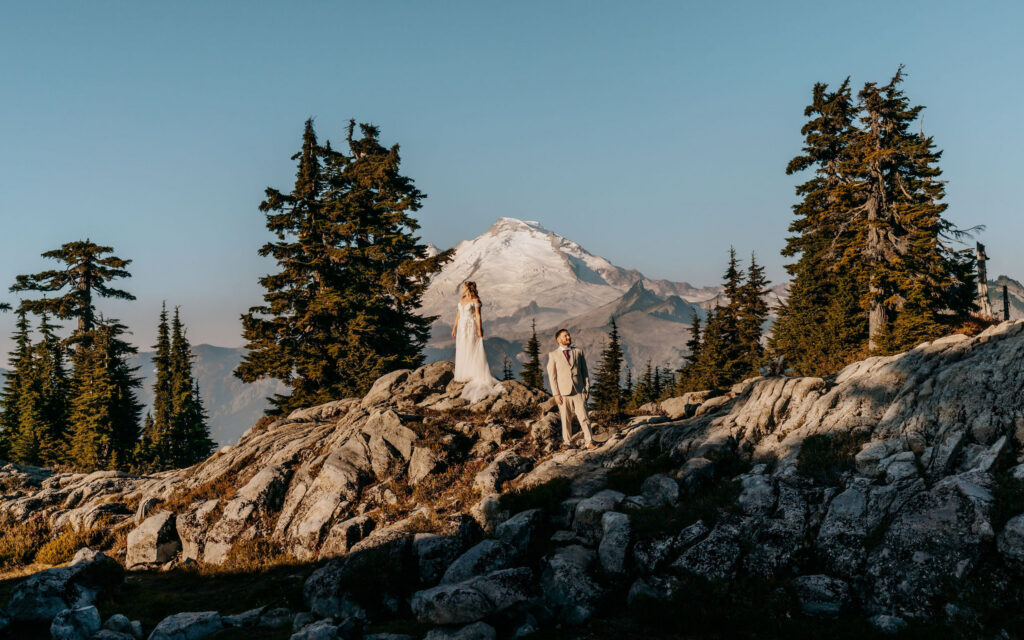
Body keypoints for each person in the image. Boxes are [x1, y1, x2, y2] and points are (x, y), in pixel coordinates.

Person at [452, 281, 503, 403]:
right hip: (461, 326)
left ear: (468, 288)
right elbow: (458, 314)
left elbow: (478, 316)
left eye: (463, 287)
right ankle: (465, 372)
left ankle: (473, 371)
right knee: (462, 347)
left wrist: (479, 330)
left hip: (471, 327)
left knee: (471, 347)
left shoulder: (475, 300)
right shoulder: (462, 299)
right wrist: (454, 328)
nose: (461, 289)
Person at [546, 328, 596, 450]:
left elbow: (585, 372)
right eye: (565, 336)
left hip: (579, 391)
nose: (568, 337)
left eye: (568, 335)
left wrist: (587, 388)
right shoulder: (553, 355)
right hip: (563, 393)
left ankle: (589, 442)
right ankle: (568, 443)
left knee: (584, 417)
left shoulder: (578, 352)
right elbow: (552, 377)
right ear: (558, 340)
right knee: (565, 419)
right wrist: (556, 394)